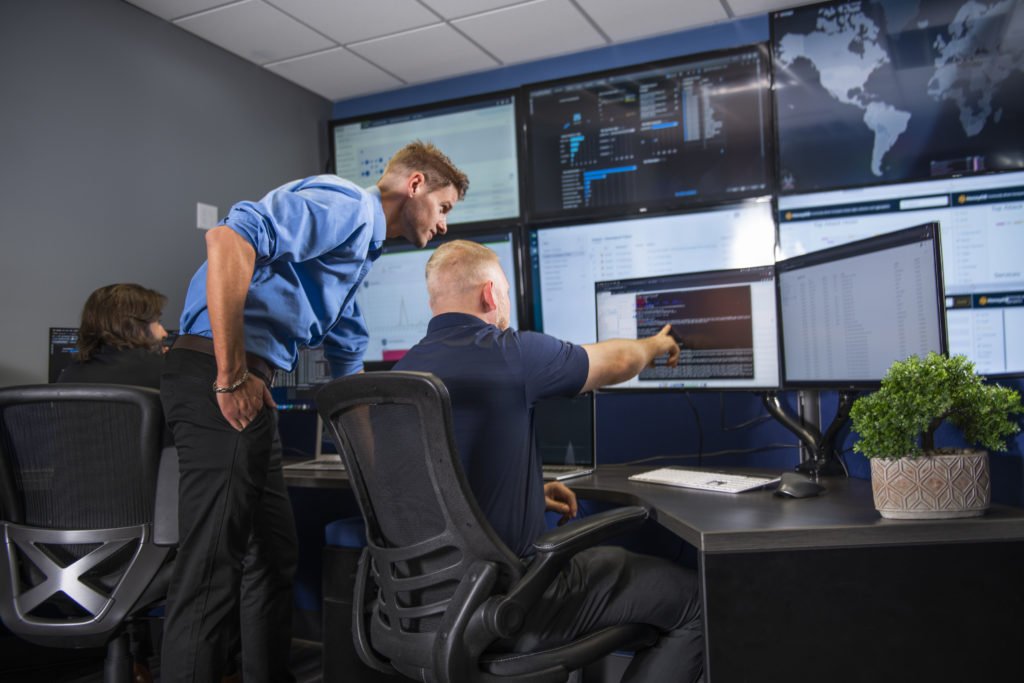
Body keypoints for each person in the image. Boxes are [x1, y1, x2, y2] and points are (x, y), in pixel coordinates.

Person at [159, 140, 469, 683]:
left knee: (273, 555)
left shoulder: (355, 258)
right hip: (219, 376)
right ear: (415, 185)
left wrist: (380, 483)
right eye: (444, 207)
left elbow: (348, 378)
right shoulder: (347, 205)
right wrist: (231, 376)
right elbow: (227, 239)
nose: (444, 225)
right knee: (210, 566)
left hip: (250, 386)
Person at [393, 239, 704, 682]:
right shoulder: (509, 351)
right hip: (511, 607)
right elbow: (615, 361)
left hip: (423, 610)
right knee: (697, 601)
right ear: (489, 295)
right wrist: (656, 342)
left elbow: (432, 489)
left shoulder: (401, 376)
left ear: (432, 302)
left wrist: (526, 494)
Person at [58, 282, 168, 387]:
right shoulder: (164, 374)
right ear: (136, 327)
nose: (165, 333)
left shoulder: (69, 376)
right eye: (158, 322)